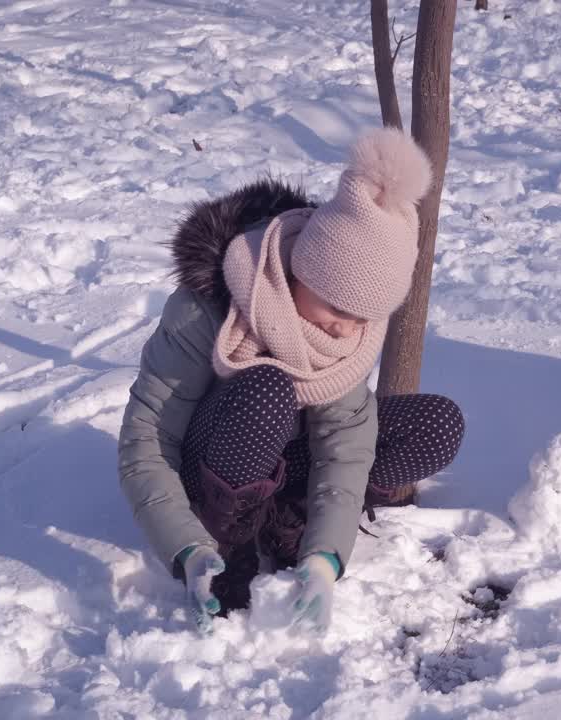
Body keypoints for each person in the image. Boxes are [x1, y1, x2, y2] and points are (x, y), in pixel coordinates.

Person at [118, 128, 464, 632]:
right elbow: (146, 441)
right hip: (212, 463)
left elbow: (346, 446)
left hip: (286, 455)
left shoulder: (346, 332)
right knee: (268, 387)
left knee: (435, 422)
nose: (345, 327)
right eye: (336, 306)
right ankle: (231, 546)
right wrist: (189, 548)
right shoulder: (203, 310)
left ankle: (291, 522)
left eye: (364, 316)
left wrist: (326, 557)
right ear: (301, 270)